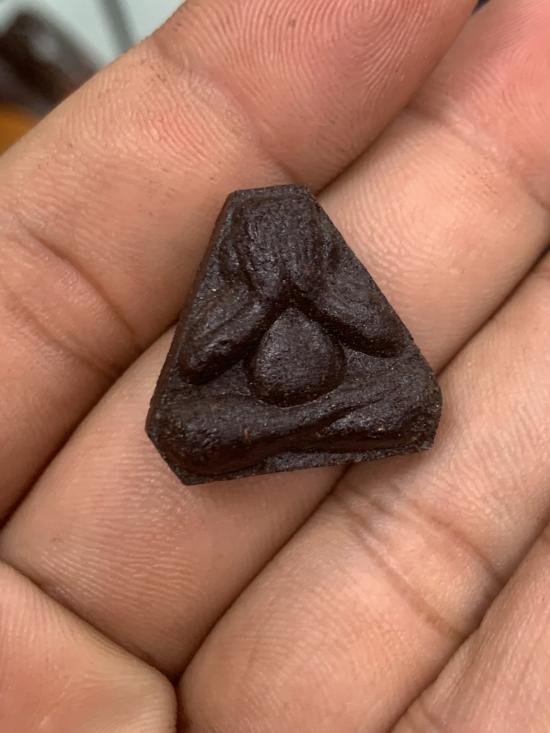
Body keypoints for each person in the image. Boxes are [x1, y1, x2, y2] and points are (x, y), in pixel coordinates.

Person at [0, 0, 549, 730]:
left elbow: (386, 356)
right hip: (269, 406)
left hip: (330, 398)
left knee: (411, 405)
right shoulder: (244, 285)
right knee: (185, 429)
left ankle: (313, 423)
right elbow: (201, 370)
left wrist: (311, 293)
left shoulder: (327, 285)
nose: (285, 255)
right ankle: (318, 423)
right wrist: (262, 301)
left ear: (313, 247)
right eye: (271, 248)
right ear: (247, 248)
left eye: (298, 248)